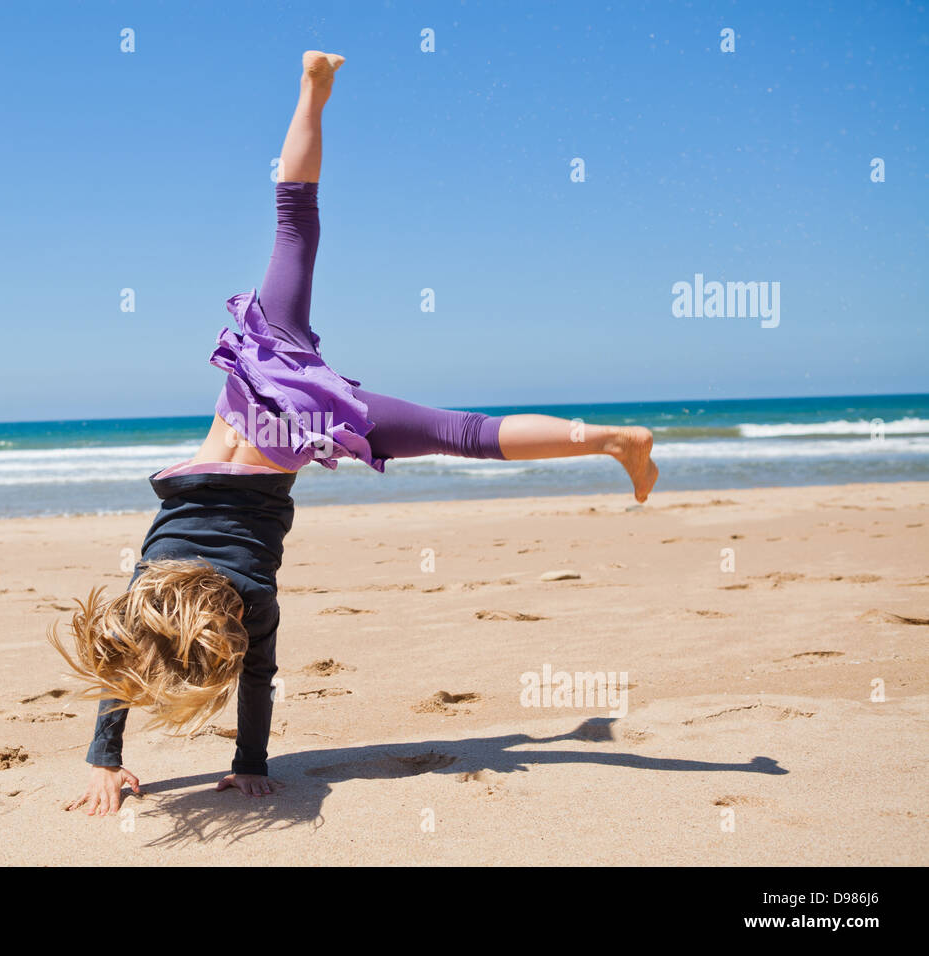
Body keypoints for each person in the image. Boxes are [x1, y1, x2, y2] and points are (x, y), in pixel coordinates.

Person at [50, 51, 658, 817]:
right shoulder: (152, 582)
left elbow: (249, 673)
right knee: (293, 220)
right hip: (266, 378)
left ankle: (608, 442)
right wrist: (132, 753)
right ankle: (315, 86)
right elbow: (129, 649)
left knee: (461, 432)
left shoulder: (245, 601)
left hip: (300, 431)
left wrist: (234, 763)